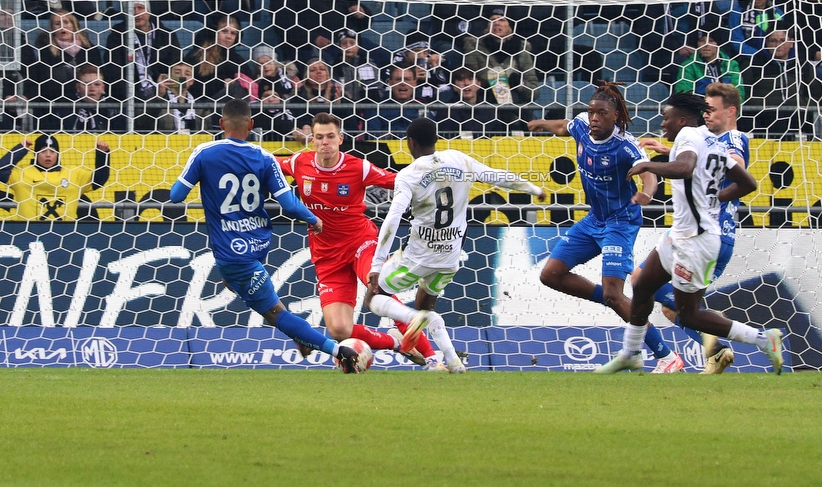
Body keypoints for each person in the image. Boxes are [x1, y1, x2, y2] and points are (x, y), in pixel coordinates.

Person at [595, 92, 783, 375]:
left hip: (696, 242)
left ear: (681, 120)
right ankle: (631, 353)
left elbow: (685, 168)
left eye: (665, 118)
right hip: (680, 235)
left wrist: (648, 165)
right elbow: (747, 183)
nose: (662, 124)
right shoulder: (711, 141)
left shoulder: (687, 137)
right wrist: (714, 199)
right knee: (643, 284)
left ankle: (763, 339)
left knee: (689, 314)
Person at [170, 99, 361, 371]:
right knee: (245, 286)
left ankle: (336, 350)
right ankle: (302, 336)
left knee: (274, 312)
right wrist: (313, 218)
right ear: (251, 125)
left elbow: (176, 196)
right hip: (258, 243)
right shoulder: (264, 157)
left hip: (231, 251)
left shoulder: (205, 152)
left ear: (222, 124)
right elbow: (289, 204)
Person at [367, 117, 545, 373]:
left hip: (417, 256)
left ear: (410, 143)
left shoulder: (409, 175)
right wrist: (533, 188)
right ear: (437, 140)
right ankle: (453, 361)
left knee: (374, 297)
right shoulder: (459, 159)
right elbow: (498, 176)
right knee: (426, 304)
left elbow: (393, 218)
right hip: (450, 256)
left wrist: (376, 262)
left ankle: (413, 321)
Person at [277, 112, 445, 369]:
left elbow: (396, 181)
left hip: (360, 243)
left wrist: (432, 180)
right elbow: (268, 164)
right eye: (319, 137)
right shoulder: (300, 162)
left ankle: (433, 359)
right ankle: (396, 343)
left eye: (330, 136)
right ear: (312, 141)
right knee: (340, 330)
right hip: (326, 256)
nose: (325, 142)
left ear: (340, 139)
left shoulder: (358, 167)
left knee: (380, 289)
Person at [527, 84, 665, 365]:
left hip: (620, 222)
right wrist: (542, 123)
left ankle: (665, 355)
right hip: (593, 220)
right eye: (591, 112)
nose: (594, 118)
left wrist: (647, 193)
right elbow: (563, 125)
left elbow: (649, 174)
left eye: (601, 113)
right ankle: (614, 300)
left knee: (616, 295)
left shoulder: (626, 145)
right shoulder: (582, 126)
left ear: (615, 117)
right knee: (551, 275)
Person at [632, 83, 748, 374]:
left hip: (708, 233)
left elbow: (734, 163)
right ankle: (714, 349)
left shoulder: (732, 138)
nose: (707, 115)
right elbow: (701, 160)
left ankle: (729, 343)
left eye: (713, 109)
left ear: (730, 111)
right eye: (704, 109)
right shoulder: (704, 139)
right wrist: (673, 149)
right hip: (688, 232)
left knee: (683, 308)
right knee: (658, 296)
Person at [0, 134, 110, 221]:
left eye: (52, 151)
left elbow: (99, 179)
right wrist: (20, 149)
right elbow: (1, 170)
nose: (48, 155)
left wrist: (102, 154)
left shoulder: (73, 173)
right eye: (43, 151)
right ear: (36, 154)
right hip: (28, 232)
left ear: (58, 154)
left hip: (66, 234)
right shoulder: (22, 173)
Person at [462, 9, 538, 106]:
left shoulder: (522, 51)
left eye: (502, 20)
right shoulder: (475, 48)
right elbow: (469, 80)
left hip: (515, 104)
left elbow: (534, 93)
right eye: (492, 20)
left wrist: (520, 85)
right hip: (485, 103)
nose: (496, 23)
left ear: (510, 26)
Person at [675, 33, 745, 101]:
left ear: (718, 43)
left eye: (711, 41)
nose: (706, 45)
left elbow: (739, 95)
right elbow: (685, 95)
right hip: (699, 110)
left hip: (726, 109)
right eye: (702, 41)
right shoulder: (688, 66)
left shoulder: (731, 65)